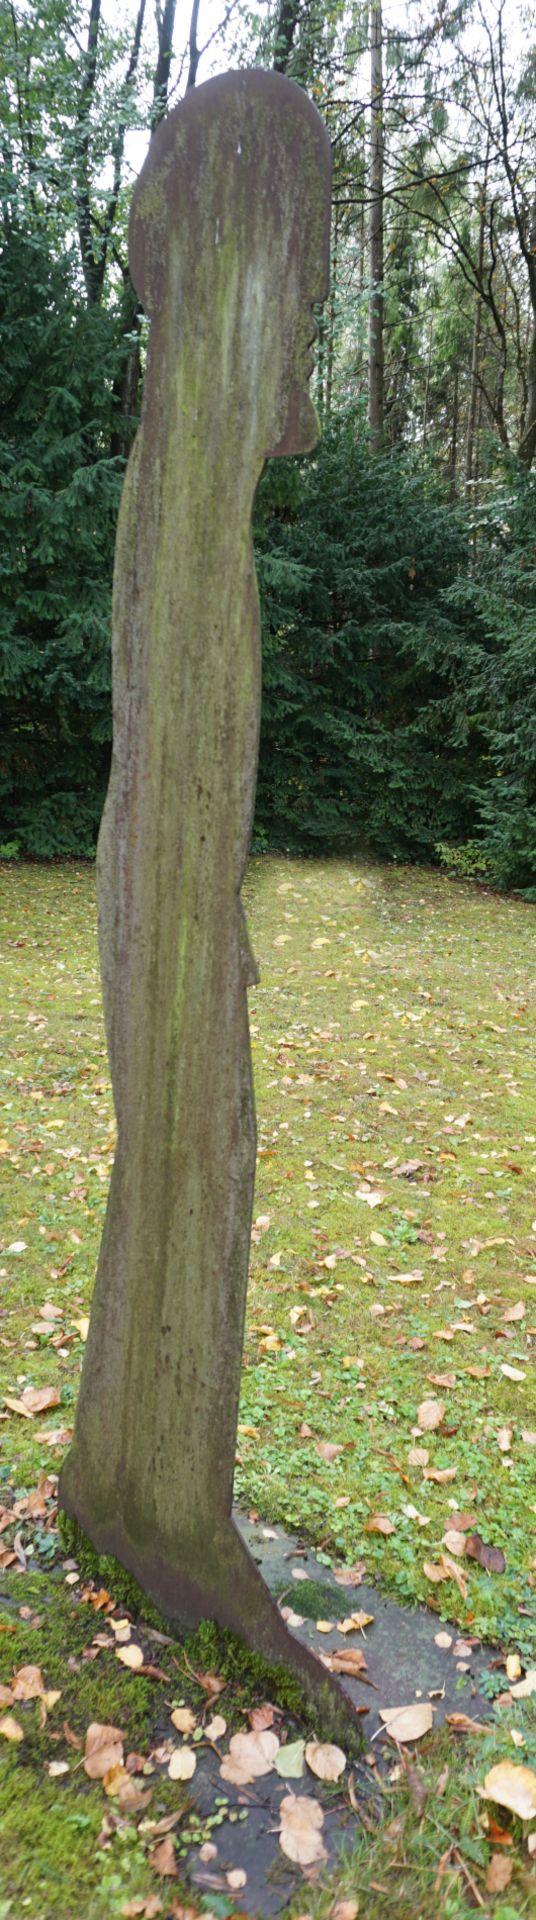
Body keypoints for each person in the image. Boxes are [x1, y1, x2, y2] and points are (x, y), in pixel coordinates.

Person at [60, 74, 339, 1714]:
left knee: (195, 1067)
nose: (305, 315)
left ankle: (146, 1482)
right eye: (297, 273)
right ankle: (142, 1496)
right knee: (181, 1104)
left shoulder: (197, 535)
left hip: (198, 606)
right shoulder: (173, 531)